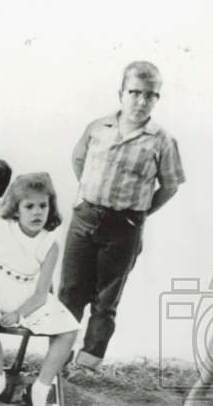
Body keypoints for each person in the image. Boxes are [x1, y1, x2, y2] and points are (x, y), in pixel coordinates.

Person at [59, 60, 186, 374]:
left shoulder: (161, 140)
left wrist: (139, 213)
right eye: (135, 92)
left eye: (150, 95)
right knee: (70, 291)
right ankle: (57, 355)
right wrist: (93, 195)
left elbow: (170, 185)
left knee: (106, 297)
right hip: (85, 217)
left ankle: (88, 362)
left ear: (158, 98)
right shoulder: (97, 128)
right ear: (121, 93)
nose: (141, 101)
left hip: (124, 227)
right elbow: (79, 160)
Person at [0, 173, 80, 406]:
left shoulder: (49, 243)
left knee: (69, 330)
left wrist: (18, 313)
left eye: (43, 205)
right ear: (16, 209)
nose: (37, 212)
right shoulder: (2, 224)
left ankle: (39, 388)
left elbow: (41, 294)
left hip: (25, 296)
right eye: (29, 206)